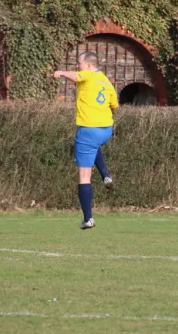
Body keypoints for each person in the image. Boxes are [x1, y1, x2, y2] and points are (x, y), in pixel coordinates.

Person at [53, 51, 119, 229]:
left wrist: (62, 72)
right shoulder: (106, 81)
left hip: (89, 129)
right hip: (106, 129)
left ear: (89, 66)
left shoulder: (88, 75)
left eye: (79, 63)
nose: (77, 66)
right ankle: (105, 175)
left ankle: (88, 218)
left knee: (84, 177)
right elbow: (114, 106)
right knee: (93, 146)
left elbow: (76, 76)